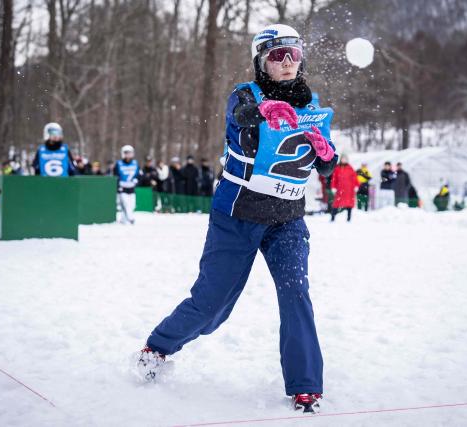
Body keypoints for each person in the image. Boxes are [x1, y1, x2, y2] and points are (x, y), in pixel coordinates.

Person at [136, 24, 337, 414]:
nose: (287, 63)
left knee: (296, 295)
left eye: (294, 54)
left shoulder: (310, 102)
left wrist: (327, 152)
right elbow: (241, 122)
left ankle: (306, 387)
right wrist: (262, 112)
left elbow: (327, 169)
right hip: (238, 215)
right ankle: (157, 347)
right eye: (278, 55)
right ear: (262, 60)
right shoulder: (245, 96)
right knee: (213, 305)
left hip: (287, 220)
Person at [113, 145, 140, 224]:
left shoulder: (135, 163)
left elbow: (139, 174)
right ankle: (130, 218)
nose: (128, 155)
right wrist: (118, 186)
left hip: (131, 187)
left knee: (132, 205)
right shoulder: (119, 164)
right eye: (126, 153)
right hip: (122, 187)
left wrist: (136, 180)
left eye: (130, 153)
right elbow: (116, 176)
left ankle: (123, 219)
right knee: (125, 204)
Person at [329, 154, 359, 222]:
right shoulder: (337, 168)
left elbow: (354, 178)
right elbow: (334, 178)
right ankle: (332, 218)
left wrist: (356, 185)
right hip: (340, 189)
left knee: (349, 204)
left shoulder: (350, 168)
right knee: (336, 204)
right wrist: (333, 187)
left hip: (349, 189)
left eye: (345, 159)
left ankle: (349, 218)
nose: (344, 160)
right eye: (343, 158)